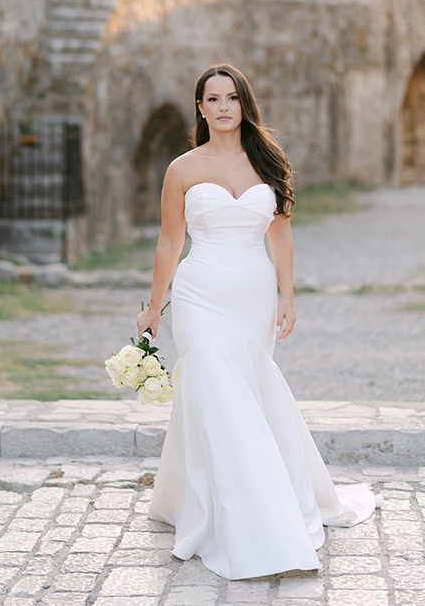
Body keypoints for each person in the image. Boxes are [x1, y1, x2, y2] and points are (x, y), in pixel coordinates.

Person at [136, 63, 381, 581]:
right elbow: (169, 242)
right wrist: (154, 306)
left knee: (242, 396)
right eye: (212, 99)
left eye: (232, 97)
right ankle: (246, 521)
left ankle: (209, 499)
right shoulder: (181, 168)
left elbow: (281, 235)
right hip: (200, 292)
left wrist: (286, 294)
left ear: (244, 103)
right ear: (199, 108)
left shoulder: (268, 161)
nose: (223, 107)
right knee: (216, 393)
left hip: (252, 296)